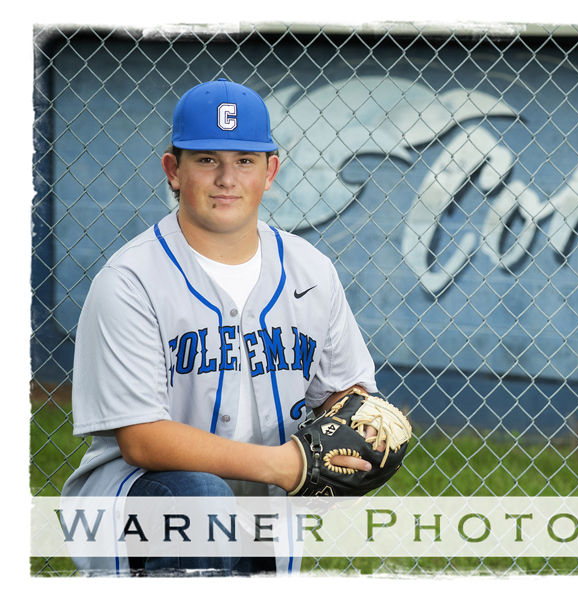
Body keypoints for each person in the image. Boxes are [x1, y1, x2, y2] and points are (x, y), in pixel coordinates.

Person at [61, 78, 381, 576]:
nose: (227, 178)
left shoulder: (311, 271)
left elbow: (346, 391)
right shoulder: (130, 281)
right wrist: (285, 464)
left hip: (266, 508)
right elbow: (143, 440)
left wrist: (356, 432)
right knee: (201, 497)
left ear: (271, 171)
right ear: (173, 170)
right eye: (207, 160)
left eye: (245, 161)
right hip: (147, 501)